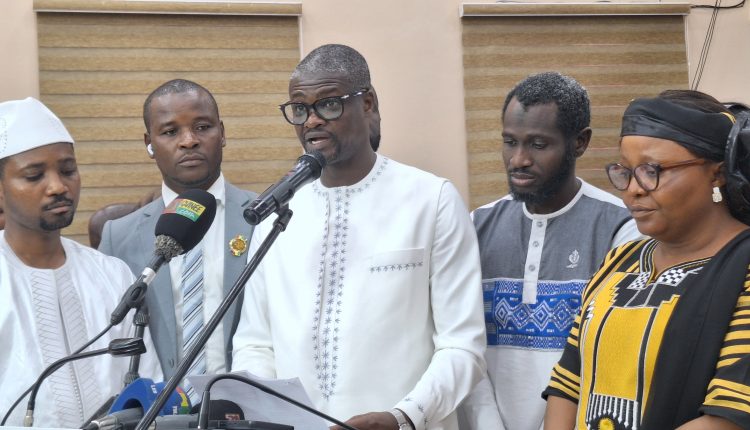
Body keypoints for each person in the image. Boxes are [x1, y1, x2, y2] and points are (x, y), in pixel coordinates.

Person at [231, 44, 486, 430]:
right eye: (299, 109)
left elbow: (463, 346)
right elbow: (254, 343)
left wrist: (403, 416)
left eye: (328, 105)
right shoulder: (276, 216)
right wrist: (268, 413)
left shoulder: (431, 200)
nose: (311, 121)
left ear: (368, 104)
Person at [543, 90, 750, 429]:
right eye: (625, 171)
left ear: (717, 173)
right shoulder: (619, 261)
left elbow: (730, 414)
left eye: (652, 170)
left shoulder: (742, 270)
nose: (633, 189)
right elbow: (568, 381)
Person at [459, 72, 641, 430]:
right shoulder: (476, 225)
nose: (518, 159)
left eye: (538, 144)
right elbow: (462, 341)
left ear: (580, 142)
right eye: (510, 142)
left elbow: (612, 357)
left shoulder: (621, 229)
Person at [0, 97, 160, 427]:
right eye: (34, 176)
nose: (58, 186)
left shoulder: (111, 274)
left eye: (68, 170)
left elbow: (147, 387)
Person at [98, 80, 257, 391]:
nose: (189, 141)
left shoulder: (264, 218)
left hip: (247, 404)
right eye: (170, 132)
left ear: (222, 133)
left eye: (203, 127)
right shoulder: (119, 237)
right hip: (157, 408)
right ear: (149, 143)